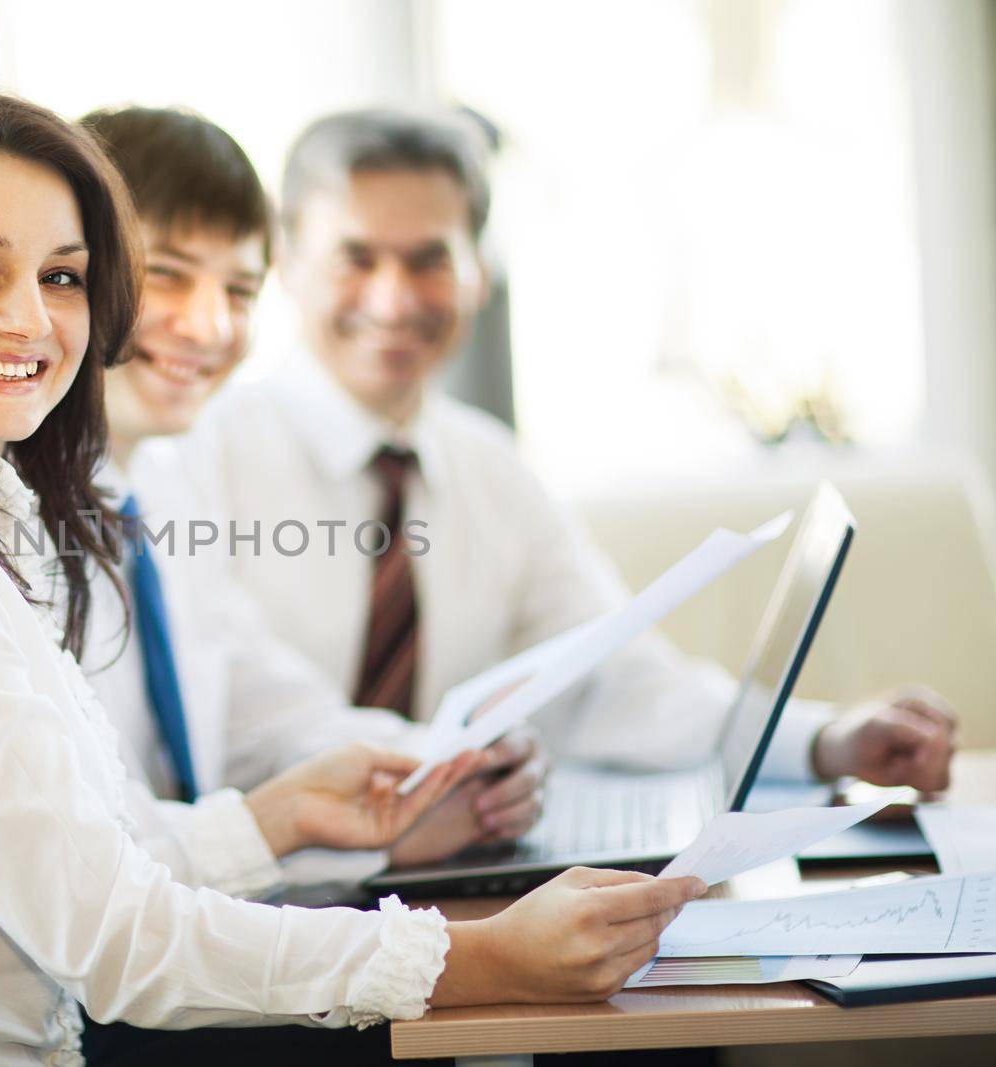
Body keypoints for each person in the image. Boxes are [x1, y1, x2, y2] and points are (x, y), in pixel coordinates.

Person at [0, 90, 706, 1067]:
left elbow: (99, 847)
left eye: (62, 277)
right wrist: (481, 955)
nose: (29, 317)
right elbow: (116, 938)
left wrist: (284, 815)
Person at [190, 107, 959, 797]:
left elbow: (615, 678)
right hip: (266, 893)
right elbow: (246, 710)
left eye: (429, 259)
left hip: (451, 872)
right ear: (284, 263)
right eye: (355, 258)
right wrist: (441, 770)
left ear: (477, 273)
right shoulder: (198, 455)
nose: (392, 300)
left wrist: (825, 741)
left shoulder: (492, 469)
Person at [74, 106, 544, 898]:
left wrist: (442, 768)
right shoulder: (10, 521)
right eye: (168, 275)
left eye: (239, 288)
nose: (210, 324)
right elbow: (95, 873)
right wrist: (296, 826)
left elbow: (260, 704)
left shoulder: (158, 481)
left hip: (189, 932)